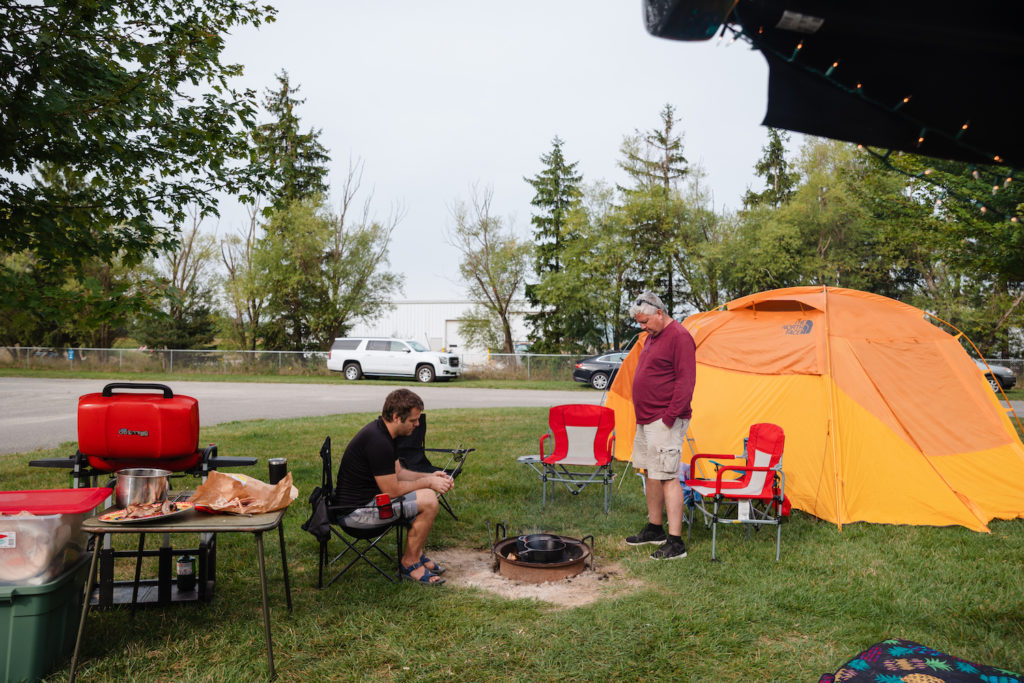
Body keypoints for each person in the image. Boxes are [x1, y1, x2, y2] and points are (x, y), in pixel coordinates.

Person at [334, 388, 454, 585]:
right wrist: (428, 483)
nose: (417, 424)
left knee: (425, 493)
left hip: (370, 502)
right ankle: (410, 563)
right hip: (356, 515)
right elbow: (392, 491)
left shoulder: (386, 433)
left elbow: (399, 473)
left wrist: (429, 475)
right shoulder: (378, 441)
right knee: (429, 501)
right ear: (397, 417)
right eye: (413, 420)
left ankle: (415, 553)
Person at [625, 290, 696, 560]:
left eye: (645, 322)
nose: (642, 328)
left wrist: (669, 418)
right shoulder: (653, 336)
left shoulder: (679, 336)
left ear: (659, 312)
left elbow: (686, 382)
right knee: (651, 472)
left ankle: (676, 542)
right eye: (639, 324)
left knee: (667, 475)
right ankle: (655, 528)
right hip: (646, 418)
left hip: (665, 419)